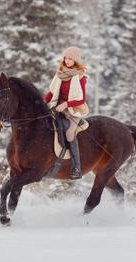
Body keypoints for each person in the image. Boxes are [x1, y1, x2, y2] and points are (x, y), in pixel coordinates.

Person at [44, 46, 89, 179]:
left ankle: (76, 167)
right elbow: (52, 92)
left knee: (69, 133)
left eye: (70, 59)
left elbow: (81, 99)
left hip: (73, 110)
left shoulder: (80, 77)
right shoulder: (60, 73)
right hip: (57, 107)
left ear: (75, 61)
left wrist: (66, 104)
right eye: (66, 58)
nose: (67, 61)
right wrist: (42, 102)